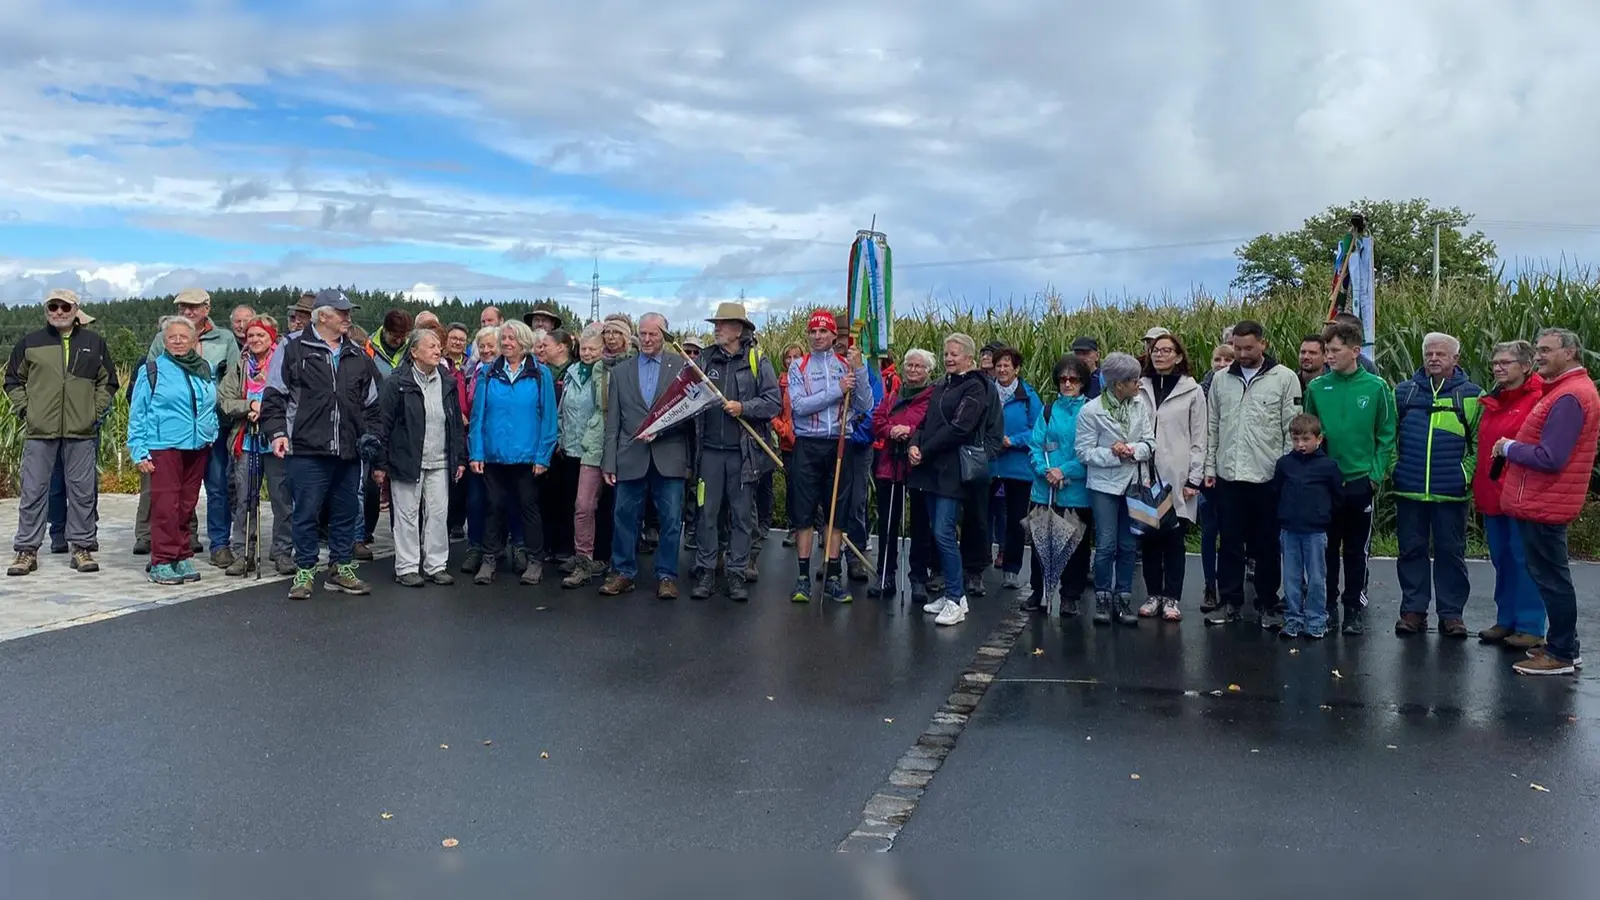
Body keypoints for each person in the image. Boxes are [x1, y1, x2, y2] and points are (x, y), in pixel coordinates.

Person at [261, 290, 382, 600]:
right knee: (306, 513)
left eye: (349, 311)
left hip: (348, 449)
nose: (348, 317)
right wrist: (277, 433)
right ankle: (305, 570)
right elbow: (274, 396)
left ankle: (341, 568)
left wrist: (371, 435)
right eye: (342, 312)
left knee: (346, 512)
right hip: (306, 448)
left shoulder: (357, 354)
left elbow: (372, 404)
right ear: (323, 316)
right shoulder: (292, 347)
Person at [1496, 328, 1600, 676]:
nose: (1538, 355)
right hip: (1544, 500)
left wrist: (1509, 447)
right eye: (1537, 349)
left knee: (1552, 580)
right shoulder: (1565, 391)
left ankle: (1561, 653)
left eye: (1546, 350)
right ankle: (1565, 645)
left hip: (1545, 502)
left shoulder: (1570, 396)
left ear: (1569, 353)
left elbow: (1551, 457)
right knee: (1551, 577)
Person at [4, 289, 116, 577]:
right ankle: (26, 550)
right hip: (40, 431)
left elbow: (108, 382)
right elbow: (12, 380)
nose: (58, 312)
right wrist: (27, 410)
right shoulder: (30, 343)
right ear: (46, 310)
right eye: (53, 307)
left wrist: (93, 412)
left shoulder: (93, 343)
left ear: (75, 309)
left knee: (82, 492)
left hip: (81, 431)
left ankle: (81, 547)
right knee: (33, 491)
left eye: (65, 307)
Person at [1203, 320, 1300, 629]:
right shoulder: (1221, 380)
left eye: (1248, 348)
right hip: (1229, 475)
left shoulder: (1284, 378)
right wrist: (1209, 467)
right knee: (1229, 542)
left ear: (1263, 344)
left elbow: (1291, 428)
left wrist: (1285, 473)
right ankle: (1229, 602)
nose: (1242, 354)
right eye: (1237, 348)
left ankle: (1268, 604)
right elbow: (1212, 426)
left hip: (1267, 476)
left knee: (1267, 544)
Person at [1301, 321, 1395, 636]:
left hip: (1359, 480)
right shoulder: (1317, 388)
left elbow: (1386, 434)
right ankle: (1327, 606)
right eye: (1326, 351)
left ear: (1355, 351)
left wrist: (1375, 476)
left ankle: (1353, 607)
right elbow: (1308, 432)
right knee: (1326, 549)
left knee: (1356, 550)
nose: (1329, 356)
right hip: (1325, 483)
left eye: (1335, 350)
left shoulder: (1376, 387)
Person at [1391, 332, 1483, 638]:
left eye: (1440, 354)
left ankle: (1451, 614)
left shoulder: (1471, 395)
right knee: (1410, 551)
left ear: (1455, 358)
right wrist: (1395, 468)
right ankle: (1413, 611)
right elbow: (1389, 436)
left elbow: (1479, 443)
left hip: (1451, 492)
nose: (1433, 359)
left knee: (1451, 553)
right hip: (1410, 488)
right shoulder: (1404, 392)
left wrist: (1464, 475)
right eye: (1429, 353)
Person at [688, 302, 780, 601]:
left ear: (738, 330)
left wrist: (744, 407)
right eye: (716, 323)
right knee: (707, 514)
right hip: (709, 453)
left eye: (723, 323)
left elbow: (773, 403)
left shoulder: (757, 361)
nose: (717, 328)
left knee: (742, 517)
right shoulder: (705, 360)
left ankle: (737, 573)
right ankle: (706, 570)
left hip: (743, 454)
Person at [600, 312, 693, 599]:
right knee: (624, 517)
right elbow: (613, 422)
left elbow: (689, 415)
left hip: (670, 455)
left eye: (653, 334)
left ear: (665, 335)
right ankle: (623, 572)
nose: (647, 339)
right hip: (631, 455)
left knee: (671, 520)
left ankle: (667, 576)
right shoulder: (620, 372)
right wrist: (609, 461)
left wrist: (661, 430)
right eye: (643, 334)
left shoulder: (682, 367)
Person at [146, 288, 241, 568]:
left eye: (193, 307)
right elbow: (152, 377)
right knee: (175, 494)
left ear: (207, 308)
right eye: (182, 307)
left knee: (217, 487)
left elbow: (234, 378)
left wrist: (218, 405)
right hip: (174, 430)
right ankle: (177, 547)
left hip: (213, 426)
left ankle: (220, 544)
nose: (187, 311)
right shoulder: (162, 338)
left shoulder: (224, 339)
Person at [784, 310, 873, 604]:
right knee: (804, 512)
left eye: (823, 331)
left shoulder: (845, 365)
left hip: (839, 443)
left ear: (835, 335)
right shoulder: (799, 365)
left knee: (836, 512)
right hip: (808, 444)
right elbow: (799, 406)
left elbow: (864, 405)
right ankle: (803, 577)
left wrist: (859, 370)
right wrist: (837, 390)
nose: (818, 336)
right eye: (813, 331)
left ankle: (833, 576)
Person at [127, 317, 219, 585]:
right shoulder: (152, 370)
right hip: (163, 446)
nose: (178, 341)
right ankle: (162, 560)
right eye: (172, 337)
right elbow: (138, 412)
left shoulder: (204, 368)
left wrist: (211, 432)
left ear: (193, 340)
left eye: (183, 336)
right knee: (166, 505)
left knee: (186, 505)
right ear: (164, 341)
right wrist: (138, 450)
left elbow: (209, 405)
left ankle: (181, 555)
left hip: (197, 445)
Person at [468, 320, 559, 585]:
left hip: (527, 456)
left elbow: (549, 419)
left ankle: (534, 561)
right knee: (493, 506)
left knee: (528, 507)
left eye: (512, 338)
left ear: (524, 342)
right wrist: (476, 453)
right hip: (493, 454)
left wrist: (543, 456)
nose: (506, 343)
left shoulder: (540, 374)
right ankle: (489, 559)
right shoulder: (488, 373)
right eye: (504, 338)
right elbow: (478, 416)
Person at [908, 333, 991, 626]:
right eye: (946, 353)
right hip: (931, 469)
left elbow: (960, 429)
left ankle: (955, 599)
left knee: (944, 532)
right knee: (937, 530)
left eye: (955, 354)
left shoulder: (975, 387)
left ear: (969, 357)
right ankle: (954, 594)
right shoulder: (942, 384)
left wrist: (925, 450)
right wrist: (914, 444)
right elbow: (925, 422)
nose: (949, 358)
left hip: (952, 471)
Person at [375, 328, 466, 587]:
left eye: (438, 346)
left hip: (440, 460)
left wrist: (459, 458)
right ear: (414, 352)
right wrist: (380, 463)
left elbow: (455, 424)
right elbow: (383, 424)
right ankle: (406, 567)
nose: (438, 350)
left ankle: (436, 565)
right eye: (431, 346)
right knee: (406, 515)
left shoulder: (447, 382)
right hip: (406, 459)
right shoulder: (396, 383)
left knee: (438, 514)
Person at [1473, 340, 1546, 650]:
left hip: (1523, 492)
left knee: (1524, 559)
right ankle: (1506, 619)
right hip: (1493, 491)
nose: (1498, 368)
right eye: (1495, 363)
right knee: (1502, 558)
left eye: (1505, 362)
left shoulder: (1539, 399)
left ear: (1526, 366)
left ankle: (1530, 625)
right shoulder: (1495, 399)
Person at [1075, 352, 1153, 627]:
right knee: (1106, 544)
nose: (1139, 384)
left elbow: (1150, 441)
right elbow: (1083, 452)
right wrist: (1113, 454)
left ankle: (1123, 596)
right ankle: (1103, 596)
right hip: (1104, 486)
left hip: (1133, 483)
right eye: (1134, 380)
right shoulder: (1091, 411)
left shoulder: (1139, 405)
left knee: (1128, 544)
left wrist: (1132, 450)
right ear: (1118, 384)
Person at [1136, 333, 1207, 620]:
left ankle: (1172, 598)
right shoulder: (1140, 387)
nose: (1160, 354)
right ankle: (1153, 594)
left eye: (1167, 350)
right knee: (1149, 539)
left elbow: (1199, 437)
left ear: (1178, 356)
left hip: (1176, 477)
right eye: (1156, 350)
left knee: (1174, 539)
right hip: (1145, 475)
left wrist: (1194, 478)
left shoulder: (1192, 390)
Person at [216, 316, 295, 576]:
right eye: (251, 335)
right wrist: (249, 405)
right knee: (244, 500)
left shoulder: (284, 363)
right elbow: (224, 400)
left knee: (281, 499)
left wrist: (267, 411)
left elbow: (294, 399)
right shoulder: (240, 366)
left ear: (272, 337)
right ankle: (243, 554)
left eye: (261, 335)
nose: (255, 340)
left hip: (276, 441)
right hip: (247, 440)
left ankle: (282, 552)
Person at [1023, 354, 1094, 615]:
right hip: (1045, 489)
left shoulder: (1091, 411)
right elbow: (1035, 445)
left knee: (1075, 547)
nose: (1067, 384)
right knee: (1041, 544)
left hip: (1076, 492)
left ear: (1082, 382)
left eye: (1073, 379)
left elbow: (1090, 451)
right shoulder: (1048, 410)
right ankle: (1038, 591)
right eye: (1063, 379)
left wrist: (1064, 471)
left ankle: (1070, 595)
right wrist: (1045, 471)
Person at [870, 347, 935, 601]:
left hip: (919, 466)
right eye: (909, 365)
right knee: (888, 522)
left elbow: (933, 427)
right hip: (891, 464)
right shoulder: (893, 395)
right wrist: (891, 431)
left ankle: (918, 577)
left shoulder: (932, 398)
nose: (913, 370)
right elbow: (877, 420)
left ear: (928, 371)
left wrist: (909, 432)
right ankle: (885, 574)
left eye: (919, 366)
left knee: (920, 523)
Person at [1271, 414, 1344, 639]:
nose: (1300, 445)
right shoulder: (1284, 464)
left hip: (1315, 532)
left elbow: (1337, 496)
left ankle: (1316, 620)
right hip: (1289, 530)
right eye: (1296, 439)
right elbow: (1276, 491)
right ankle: (1293, 619)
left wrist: (1324, 515)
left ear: (1318, 439)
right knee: (1291, 579)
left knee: (1316, 578)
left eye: (1305, 439)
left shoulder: (1328, 466)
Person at [988, 347, 1042, 590]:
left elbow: (1038, 431)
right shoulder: (986, 393)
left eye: (1006, 366)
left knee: (1016, 520)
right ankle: (976, 568)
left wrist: (1012, 441)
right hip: (989, 465)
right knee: (980, 517)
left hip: (1018, 468)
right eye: (998, 366)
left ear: (1016, 369)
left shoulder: (1028, 397)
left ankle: (1011, 568)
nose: (1002, 370)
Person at [560, 326, 610, 588]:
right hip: (571, 446)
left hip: (596, 447)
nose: (587, 353)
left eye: (593, 349)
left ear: (603, 350)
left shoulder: (604, 375)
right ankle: (582, 556)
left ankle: (596, 557)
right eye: (584, 348)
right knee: (579, 505)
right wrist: (561, 435)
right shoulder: (571, 373)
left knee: (590, 505)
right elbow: (563, 409)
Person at [535, 327, 580, 566]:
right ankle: (546, 543)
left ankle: (565, 545)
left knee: (567, 497)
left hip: (567, 445)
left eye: (546, 345)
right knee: (545, 497)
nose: (542, 349)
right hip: (542, 442)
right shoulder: (540, 371)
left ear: (561, 347)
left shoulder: (573, 372)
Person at [1196, 342, 1234, 611]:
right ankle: (1210, 585)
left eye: (1227, 360)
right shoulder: (1200, 391)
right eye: (1217, 360)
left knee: (1232, 534)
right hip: (1206, 471)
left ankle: (1230, 586)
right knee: (1209, 531)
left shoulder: (1236, 389)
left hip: (1230, 470)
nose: (1221, 365)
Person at [772, 342, 804, 547]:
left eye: (796, 357)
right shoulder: (780, 384)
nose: (792, 361)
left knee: (811, 486)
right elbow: (773, 410)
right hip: (788, 445)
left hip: (806, 440)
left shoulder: (809, 379)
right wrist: (782, 428)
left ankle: (818, 527)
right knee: (792, 486)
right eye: (788, 357)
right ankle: (793, 528)